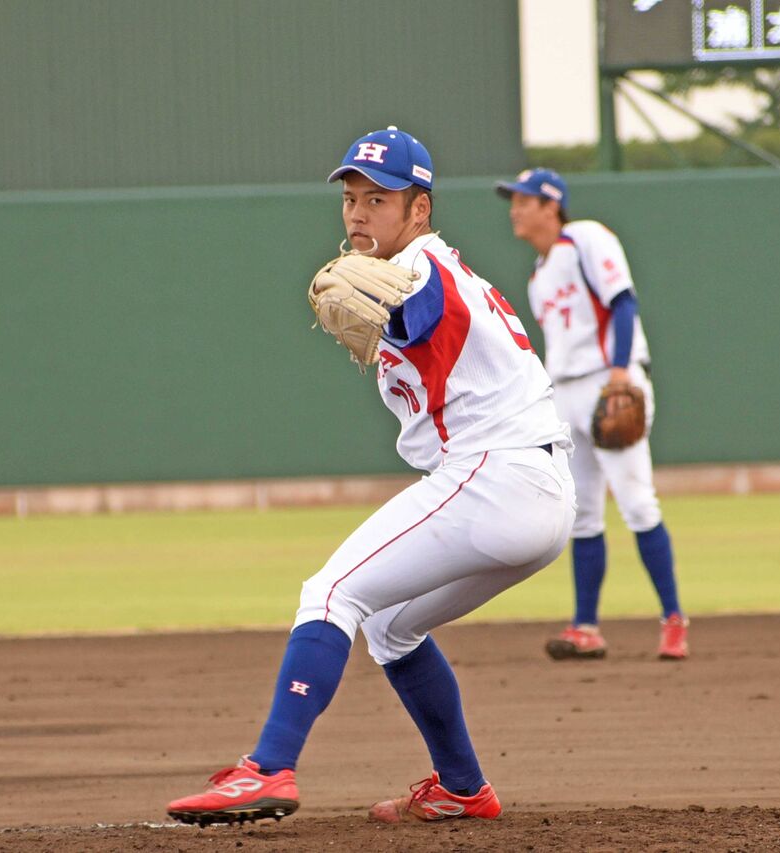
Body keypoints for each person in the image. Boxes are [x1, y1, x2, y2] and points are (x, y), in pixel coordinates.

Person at [166, 129, 575, 826]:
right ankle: (463, 787)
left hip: (495, 475)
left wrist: (397, 318)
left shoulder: (421, 268)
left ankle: (267, 768)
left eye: (378, 199)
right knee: (390, 627)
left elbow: (422, 311)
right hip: (538, 494)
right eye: (351, 198)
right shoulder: (427, 267)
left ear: (420, 209)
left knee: (331, 593)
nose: (358, 212)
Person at [495, 168, 688, 662]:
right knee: (580, 514)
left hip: (609, 381)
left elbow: (623, 303)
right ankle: (586, 627)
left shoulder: (585, 238)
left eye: (524, 200)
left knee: (637, 502)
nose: (515, 210)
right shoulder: (538, 275)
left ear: (551, 205)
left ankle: (673, 620)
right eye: (513, 201)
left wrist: (621, 372)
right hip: (565, 393)